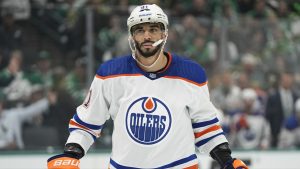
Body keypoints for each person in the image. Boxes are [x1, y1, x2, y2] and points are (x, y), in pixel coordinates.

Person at [47, 4, 248, 169]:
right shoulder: (110, 73)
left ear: (165, 33)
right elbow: (87, 123)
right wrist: (71, 154)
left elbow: (206, 127)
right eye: (140, 30)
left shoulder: (192, 74)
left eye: (153, 29)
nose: (147, 36)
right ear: (131, 36)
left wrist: (227, 162)